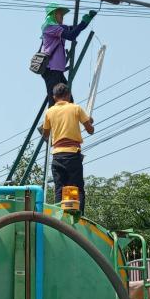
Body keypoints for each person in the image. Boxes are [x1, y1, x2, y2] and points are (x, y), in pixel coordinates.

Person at [42, 83, 94, 213]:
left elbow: (45, 135)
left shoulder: (49, 112)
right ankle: (78, 216)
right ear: (68, 95)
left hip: (57, 155)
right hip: (72, 154)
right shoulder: (76, 108)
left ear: (54, 97)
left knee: (60, 188)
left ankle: (59, 216)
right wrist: (89, 121)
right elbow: (90, 130)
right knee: (76, 187)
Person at [41, 3, 96, 107]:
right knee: (54, 99)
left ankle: (67, 119)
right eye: (59, 14)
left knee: (68, 99)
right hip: (51, 69)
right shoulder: (50, 28)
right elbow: (71, 35)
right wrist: (83, 22)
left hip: (57, 70)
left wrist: (86, 21)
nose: (62, 16)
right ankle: (51, 122)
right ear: (52, 15)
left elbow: (74, 29)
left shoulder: (59, 28)